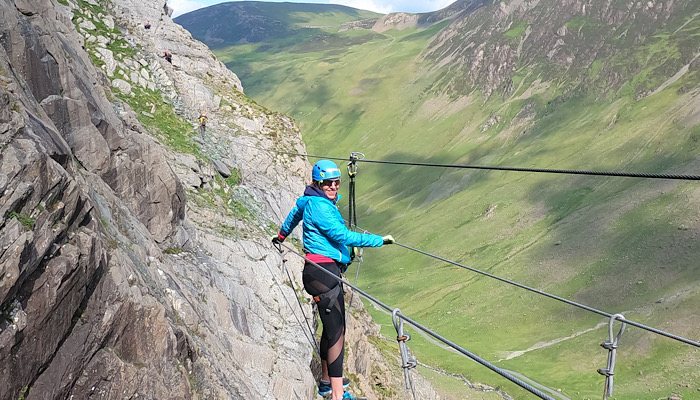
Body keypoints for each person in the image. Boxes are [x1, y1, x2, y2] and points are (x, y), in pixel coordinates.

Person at [273, 160, 394, 400]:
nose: (334, 187)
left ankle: (327, 382)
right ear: (318, 182)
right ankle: (338, 395)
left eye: (336, 182)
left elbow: (293, 217)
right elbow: (340, 234)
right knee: (337, 333)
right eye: (328, 183)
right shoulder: (321, 207)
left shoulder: (309, 200)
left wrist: (281, 236)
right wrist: (378, 241)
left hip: (318, 272)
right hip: (324, 272)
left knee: (330, 331)